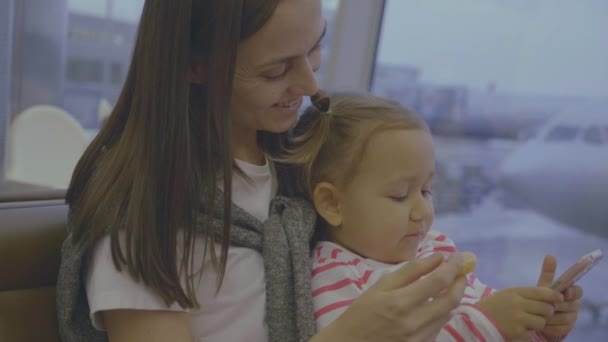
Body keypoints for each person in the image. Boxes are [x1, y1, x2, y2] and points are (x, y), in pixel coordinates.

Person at [55, 1, 468, 342]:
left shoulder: (301, 163)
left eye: (314, 48)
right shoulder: (141, 212)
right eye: (276, 70)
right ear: (194, 65)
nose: (309, 84)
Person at [275, 91, 584, 341]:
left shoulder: (435, 250)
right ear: (332, 204)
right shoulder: (335, 278)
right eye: (399, 195)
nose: (423, 211)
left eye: (426, 191)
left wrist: (536, 324)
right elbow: (484, 324)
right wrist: (487, 325)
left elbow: (492, 319)